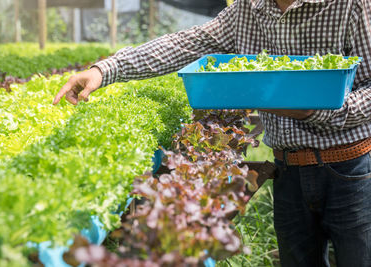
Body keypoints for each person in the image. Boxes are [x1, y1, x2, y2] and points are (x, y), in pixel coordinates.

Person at [53, 0, 371, 266]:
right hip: (288, 172)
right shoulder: (247, 11)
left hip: (350, 171)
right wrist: (103, 70)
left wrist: (318, 111)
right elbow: (181, 45)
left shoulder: (350, 6)